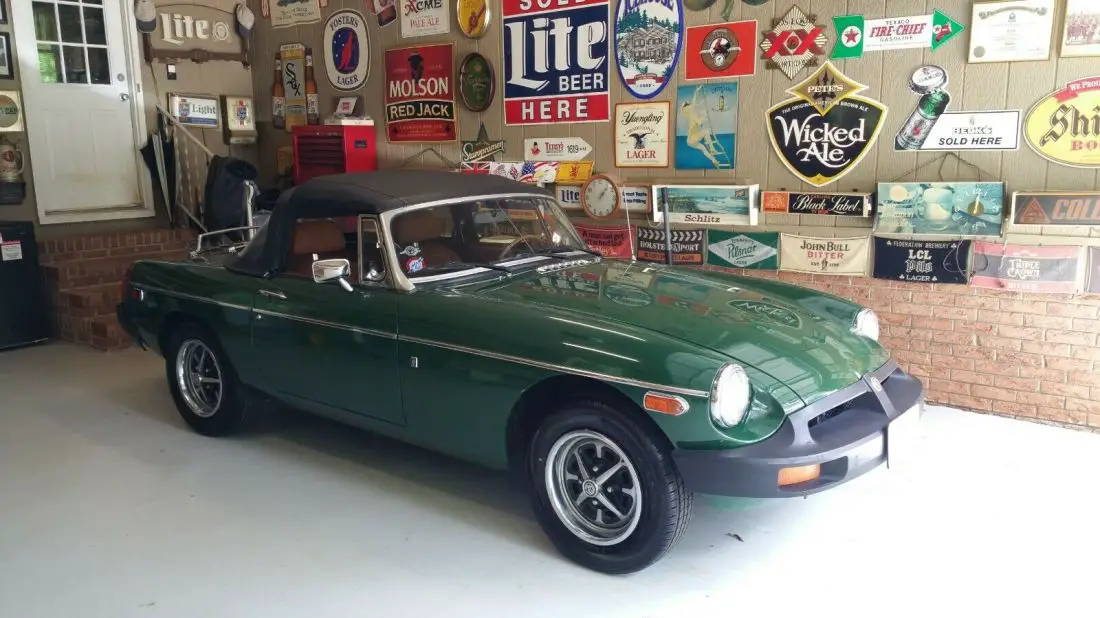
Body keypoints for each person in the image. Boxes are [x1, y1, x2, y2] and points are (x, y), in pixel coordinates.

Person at [680, 87, 726, 169]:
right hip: (693, 138)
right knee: (706, 132)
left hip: (689, 141)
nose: (690, 104)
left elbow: (695, 105)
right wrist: (696, 91)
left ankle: (714, 160)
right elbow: (698, 121)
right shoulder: (690, 112)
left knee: (703, 149)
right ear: (687, 106)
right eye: (688, 103)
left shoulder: (688, 114)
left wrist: (704, 116)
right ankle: (712, 148)